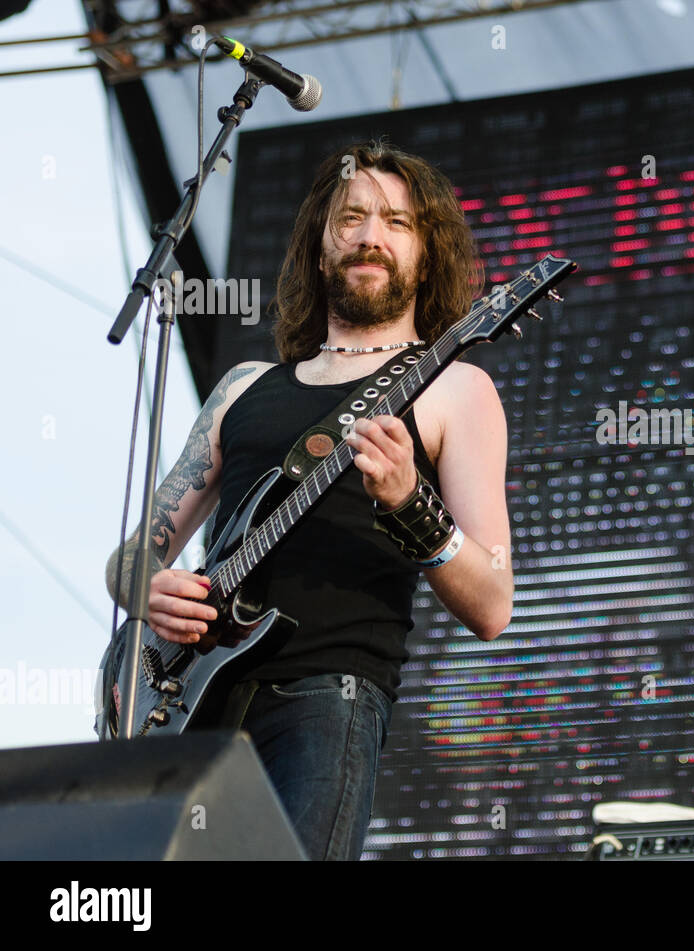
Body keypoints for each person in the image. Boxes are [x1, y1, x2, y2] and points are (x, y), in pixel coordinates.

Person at [103, 140, 513, 860]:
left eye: (397, 221)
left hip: (326, 699)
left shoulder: (455, 389)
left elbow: (493, 602)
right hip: (186, 699)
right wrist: (148, 591)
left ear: (427, 252)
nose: (369, 235)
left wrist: (413, 505)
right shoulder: (244, 387)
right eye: (350, 216)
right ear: (319, 247)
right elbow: (134, 554)